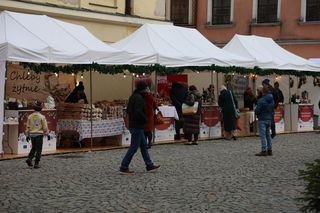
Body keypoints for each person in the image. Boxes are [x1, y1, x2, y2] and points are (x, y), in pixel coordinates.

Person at [119, 81, 160, 174]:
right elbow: (138, 112)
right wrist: (145, 119)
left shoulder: (134, 96)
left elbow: (129, 110)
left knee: (144, 146)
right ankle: (124, 166)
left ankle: (149, 165)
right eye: (146, 87)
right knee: (133, 147)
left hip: (135, 125)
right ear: (143, 88)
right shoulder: (139, 98)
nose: (147, 89)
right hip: (137, 125)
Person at [25, 101, 49, 169]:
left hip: (32, 134)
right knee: (39, 149)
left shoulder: (30, 116)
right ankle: (36, 163)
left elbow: (27, 126)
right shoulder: (42, 117)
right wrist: (47, 133)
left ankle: (29, 158)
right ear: (40, 109)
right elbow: (45, 127)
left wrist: (27, 135)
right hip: (39, 134)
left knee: (34, 147)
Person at [255, 86, 275, 156]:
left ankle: (264, 150)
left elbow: (257, 110)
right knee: (268, 135)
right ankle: (270, 150)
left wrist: (256, 111)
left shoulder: (261, 100)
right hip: (269, 119)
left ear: (263, 92)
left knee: (263, 135)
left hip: (262, 119)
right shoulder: (272, 99)